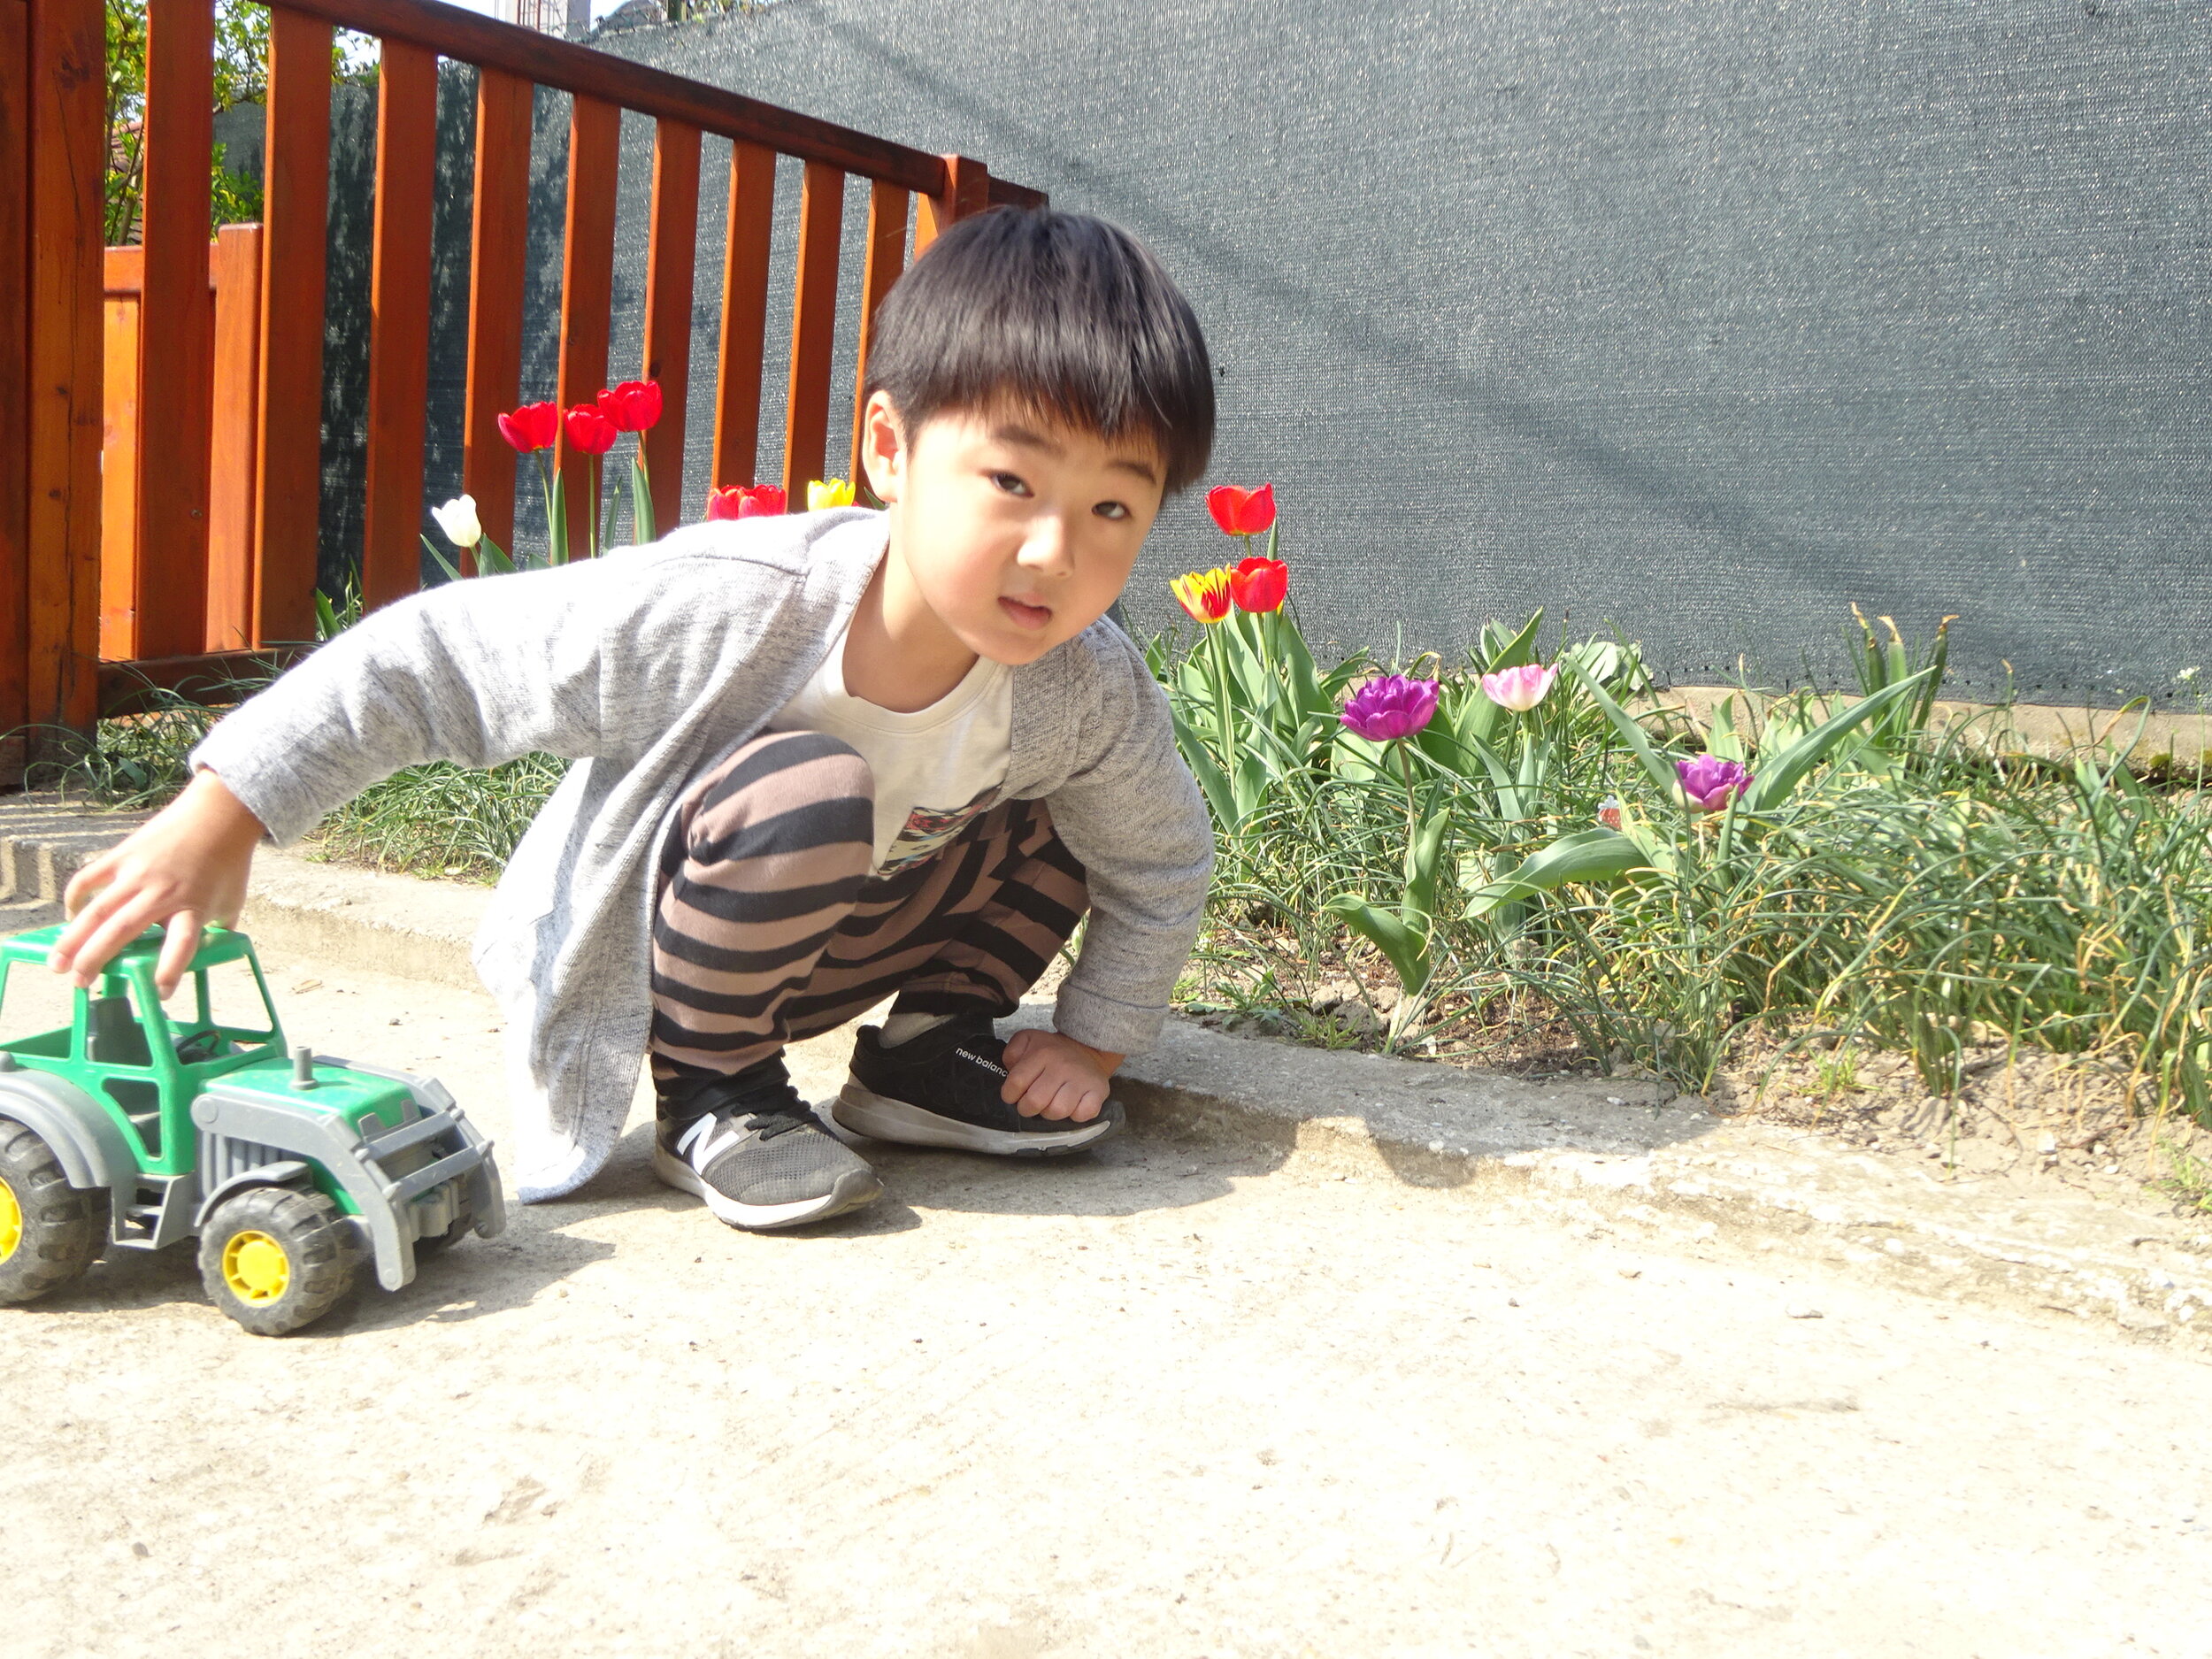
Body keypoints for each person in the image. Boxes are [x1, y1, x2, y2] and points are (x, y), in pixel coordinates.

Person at [45, 208, 1217, 1233]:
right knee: (813, 784)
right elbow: (439, 658)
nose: (1056, 551)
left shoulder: (1081, 686)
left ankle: (925, 1058)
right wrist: (230, 805)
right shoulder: (731, 607)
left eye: (1114, 504)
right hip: (669, 948)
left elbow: (1160, 859)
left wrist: (1095, 1036)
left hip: (844, 936)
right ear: (888, 450)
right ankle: (715, 1097)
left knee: (1077, 813)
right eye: (1012, 482)